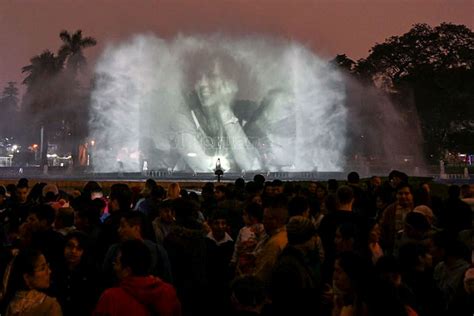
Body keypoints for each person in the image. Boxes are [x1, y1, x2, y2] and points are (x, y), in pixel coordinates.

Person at [93, 240, 181, 316]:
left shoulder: (110, 298)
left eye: (116, 262)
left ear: (127, 270)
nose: (114, 266)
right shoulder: (168, 291)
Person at [3, 248, 62, 316]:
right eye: (42, 268)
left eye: (47, 266)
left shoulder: (9, 303)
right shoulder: (50, 306)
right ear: (27, 277)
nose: (49, 271)